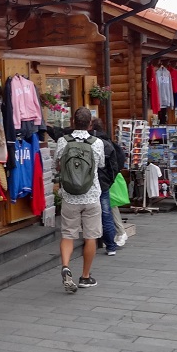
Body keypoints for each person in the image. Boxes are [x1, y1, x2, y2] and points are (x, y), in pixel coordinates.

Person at [56, 107, 105, 292]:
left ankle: (66, 266)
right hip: (91, 195)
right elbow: (100, 165)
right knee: (90, 236)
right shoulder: (97, 143)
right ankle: (85, 276)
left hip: (69, 196)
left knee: (68, 234)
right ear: (90, 123)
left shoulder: (63, 141)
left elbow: (57, 166)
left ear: (73, 121)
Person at [90, 118, 122, 256]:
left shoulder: (86, 142)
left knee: (88, 213)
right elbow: (114, 166)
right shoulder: (107, 143)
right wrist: (109, 181)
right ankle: (110, 246)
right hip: (103, 183)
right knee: (106, 213)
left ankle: (90, 242)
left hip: (87, 184)